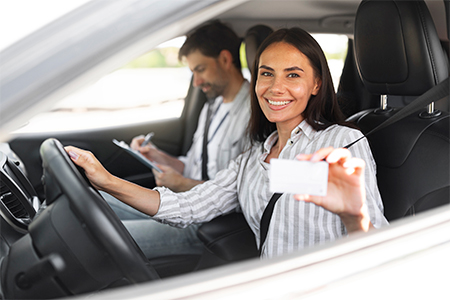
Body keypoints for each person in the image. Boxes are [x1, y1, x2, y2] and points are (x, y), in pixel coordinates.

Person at [66, 27, 388, 259]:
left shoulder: (342, 144)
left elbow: (380, 247)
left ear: (316, 83)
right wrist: (105, 180)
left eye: (293, 75)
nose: (276, 88)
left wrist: (353, 216)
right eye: (266, 74)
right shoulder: (251, 159)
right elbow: (186, 207)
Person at [101, 20, 251, 258]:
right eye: (193, 72)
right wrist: (157, 156)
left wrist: (181, 184)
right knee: (97, 201)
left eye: (200, 69)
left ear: (225, 59)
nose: (197, 82)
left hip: (206, 223)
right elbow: (193, 164)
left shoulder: (253, 115)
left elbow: (240, 194)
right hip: (181, 203)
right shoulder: (212, 106)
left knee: (101, 240)